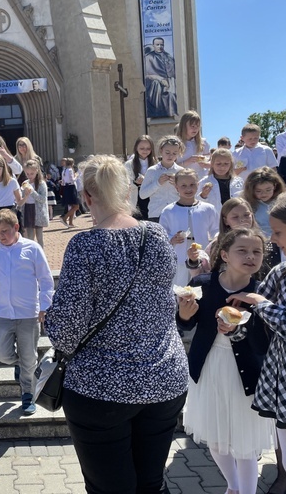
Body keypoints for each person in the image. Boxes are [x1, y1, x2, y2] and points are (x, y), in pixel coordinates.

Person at [44, 155, 188, 493]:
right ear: (124, 190)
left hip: (101, 387)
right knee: (150, 483)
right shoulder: (155, 235)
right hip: (163, 379)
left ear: (88, 196)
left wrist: (50, 318)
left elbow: (66, 332)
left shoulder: (85, 245)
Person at [227, 193, 286, 494]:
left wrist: (261, 304)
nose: (273, 239)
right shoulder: (282, 272)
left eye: (278, 232)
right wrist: (231, 326)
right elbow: (251, 319)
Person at [178, 228, 274, 494]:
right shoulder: (203, 285)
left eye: (257, 251)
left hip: (247, 373)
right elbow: (186, 326)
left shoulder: (263, 292)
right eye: (242, 250)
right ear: (224, 254)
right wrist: (184, 315)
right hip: (208, 368)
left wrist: (241, 326)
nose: (250, 256)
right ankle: (233, 486)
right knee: (217, 440)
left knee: (245, 444)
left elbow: (265, 341)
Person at [0, 209, 54, 415]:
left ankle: (28, 394)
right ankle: (21, 364)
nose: (1, 236)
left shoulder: (33, 248)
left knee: (29, 357)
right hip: (3, 312)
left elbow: (46, 280)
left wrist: (45, 306)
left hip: (28, 313)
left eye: (5, 231)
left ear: (16, 227)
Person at [160, 169, 219, 286]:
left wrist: (216, 238)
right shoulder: (169, 211)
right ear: (176, 188)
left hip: (202, 261)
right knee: (179, 291)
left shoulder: (208, 208)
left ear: (198, 185)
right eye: (183, 186)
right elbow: (161, 234)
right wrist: (172, 238)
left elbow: (216, 229)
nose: (188, 189)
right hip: (179, 260)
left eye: (192, 185)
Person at [186, 197, 257, 278]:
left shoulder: (260, 243)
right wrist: (194, 260)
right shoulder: (216, 245)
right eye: (235, 217)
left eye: (246, 215)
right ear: (226, 220)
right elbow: (202, 275)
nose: (242, 220)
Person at [244, 167, 286, 269]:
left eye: (268, 190)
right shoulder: (248, 204)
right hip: (259, 244)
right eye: (258, 191)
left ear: (275, 186)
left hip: (282, 243)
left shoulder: (283, 201)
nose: (264, 194)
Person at [139, 135, 184, 222]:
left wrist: (177, 185)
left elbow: (186, 194)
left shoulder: (180, 171)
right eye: (167, 152)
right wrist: (158, 183)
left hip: (176, 213)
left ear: (179, 154)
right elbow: (143, 195)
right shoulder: (152, 171)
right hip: (156, 214)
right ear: (161, 151)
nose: (170, 156)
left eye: (174, 153)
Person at [197, 148, 245, 214]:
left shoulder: (239, 182)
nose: (222, 167)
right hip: (214, 219)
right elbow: (197, 203)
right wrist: (203, 195)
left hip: (235, 218)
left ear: (231, 164)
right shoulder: (204, 181)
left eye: (226, 164)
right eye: (218, 164)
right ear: (212, 164)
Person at [124, 134, 157, 220]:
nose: (145, 151)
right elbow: (125, 183)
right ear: (136, 148)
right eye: (142, 148)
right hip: (136, 197)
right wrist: (136, 182)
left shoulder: (155, 162)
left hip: (151, 196)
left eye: (148, 148)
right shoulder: (129, 164)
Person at [144, 37, 177, 118]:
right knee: (156, 84)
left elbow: (172, 74)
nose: (160, 46)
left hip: (169, 85)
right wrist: (159, 79)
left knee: (171, 95)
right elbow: (146, 75)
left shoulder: (169, 57)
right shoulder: (149, 58)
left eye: (161, 45)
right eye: (157, 45)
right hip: (155, 86)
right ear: (153, 45)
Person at [20, 160, 48, 247]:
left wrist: (32, 192)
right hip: (28, 209)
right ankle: (31, 255)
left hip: (38, 211)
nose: (29, 176)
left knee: (39, 237)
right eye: (27, 173)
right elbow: (22, 198)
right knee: (30, 237)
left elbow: (43, 199)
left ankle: (41, 255)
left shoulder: (41, 183)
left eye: (32, 173)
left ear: (36, 171)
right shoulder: (25, 183)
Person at [176, 110, 211, 178]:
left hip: (200, 178)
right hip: (183, 179)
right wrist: (187, 161)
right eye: (192, 126)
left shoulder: (203, 143)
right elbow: (170, 166)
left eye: (197, 126)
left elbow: (211, 162)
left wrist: (206, 164)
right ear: (184, 126)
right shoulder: (175, 143)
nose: (195, 129)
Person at [58, 158, 79, 227]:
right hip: (71, 187)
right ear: (72, 163)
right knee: (76, 206)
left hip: (66, 188)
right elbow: (72, 180)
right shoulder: (70, 170)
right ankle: (64, 218)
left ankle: (71, 222)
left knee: (72, 206)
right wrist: (76, 176)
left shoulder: (64, 170)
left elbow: (63, 181)